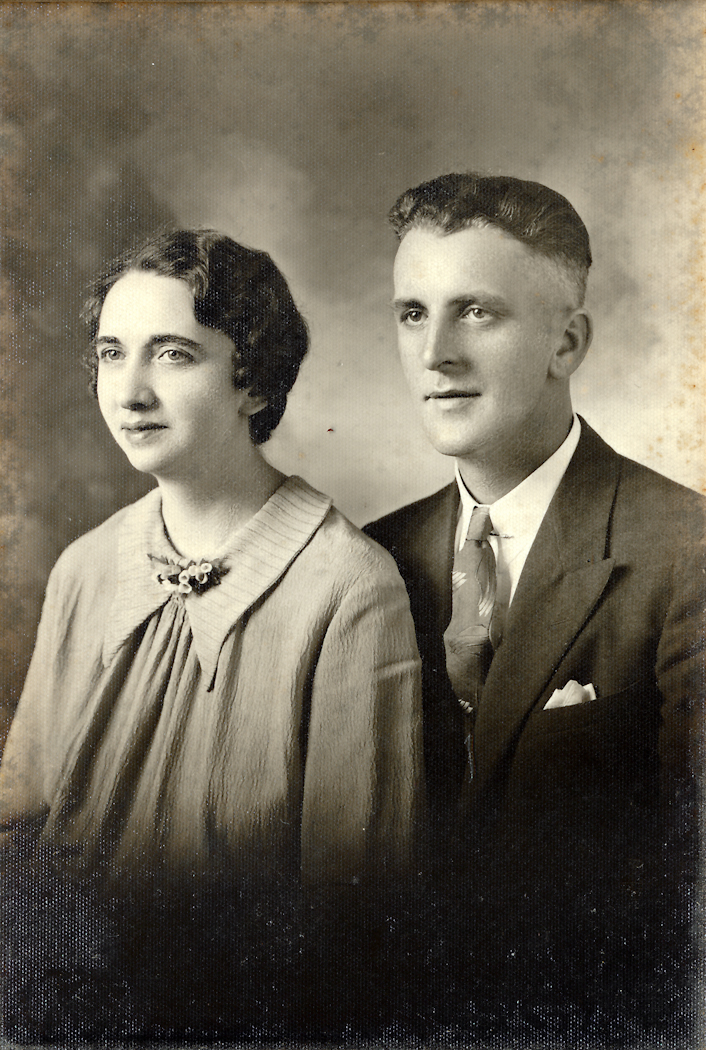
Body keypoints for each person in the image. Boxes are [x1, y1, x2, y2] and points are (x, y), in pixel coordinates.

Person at [0, 230, 423, 1041]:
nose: (129, 392)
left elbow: (355, 920)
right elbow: (21, 828)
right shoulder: (85, 569)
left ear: (253, 382)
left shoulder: (347, 589)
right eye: (112, 353)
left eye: (173, 355)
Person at [366, 174, 705, 1044]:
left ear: (567, 342)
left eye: (477, 311)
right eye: (413, 313)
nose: (435, 353)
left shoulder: (684, 550)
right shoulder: (366, 562)